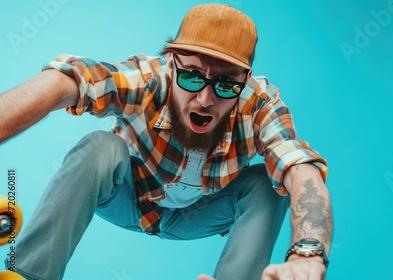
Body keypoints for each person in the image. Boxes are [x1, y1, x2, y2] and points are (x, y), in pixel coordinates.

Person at [0, 3, 332, 280]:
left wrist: (308, 252)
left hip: (196, 215)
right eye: (191, 76)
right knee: (102, 146)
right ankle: (29, 275)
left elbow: (301, 170)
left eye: (225, 85)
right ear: (173, 68)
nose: (204, 100)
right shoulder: (148, 80)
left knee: (267, 184)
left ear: (244, 81)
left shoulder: (259, 105)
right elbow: (65, 83)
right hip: (129, 198)